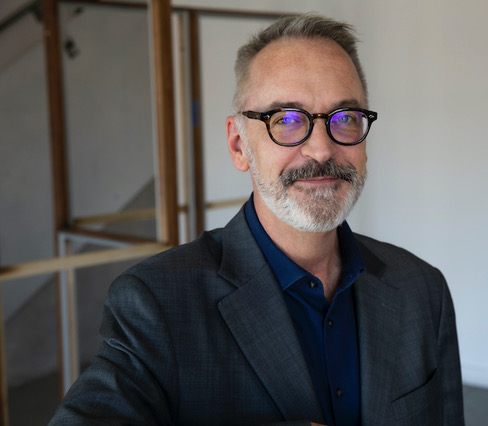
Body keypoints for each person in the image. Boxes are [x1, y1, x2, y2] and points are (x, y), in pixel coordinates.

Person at [49, 13, 464, 426]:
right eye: (285, 119)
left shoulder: (422, 290)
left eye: (345, 118)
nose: (321, 149)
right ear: (238, 144)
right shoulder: (156, 303)